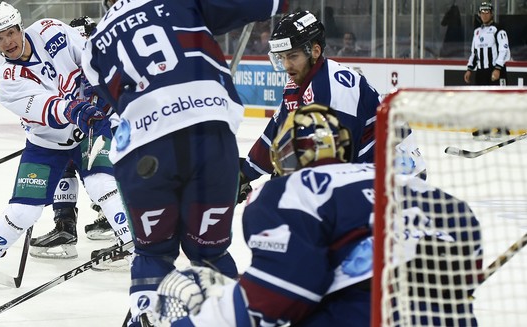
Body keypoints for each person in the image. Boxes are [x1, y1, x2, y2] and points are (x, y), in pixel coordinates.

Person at [153, 103, 484, 327]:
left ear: (285, 155)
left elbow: (281, 294)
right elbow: (463, 228)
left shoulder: (290, 190)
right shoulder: (396, 179)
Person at [81, 0, 289, 325]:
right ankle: (227, 318)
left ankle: (147, 314)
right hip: (209, 133)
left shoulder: (93, 45)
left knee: (152, 253)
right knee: (210, 253)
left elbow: (113, 101)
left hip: (143, 149)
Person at [0, 1, 132, 280]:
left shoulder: (51, 29)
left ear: (20, 28)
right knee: (23, 212)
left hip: (90, 131)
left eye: (10, 32)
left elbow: (91, 58)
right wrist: (76, 109)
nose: (7, 42)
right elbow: (48, 108)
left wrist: (102, 88)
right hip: (47, 143)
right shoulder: (5, 79)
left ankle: (133, 245)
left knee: (100, 183)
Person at [238, 11, 425, 203]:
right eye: (281, 57)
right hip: (364, 169)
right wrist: (245, 173)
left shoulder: (335, 91)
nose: (286, 65)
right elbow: (278, 131)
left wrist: (292, 179)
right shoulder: (297, 84)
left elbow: (339, 162)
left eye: (292, 56)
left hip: (398, 174)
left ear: (315, 51)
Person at [29, 15, 115, 261]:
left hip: (115, 126)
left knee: (105, 174)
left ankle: (125, 230)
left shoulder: (102, 55)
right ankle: (65, 226)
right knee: (63, 164)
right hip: (80, 130)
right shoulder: (66, 60)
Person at [464, 2, 511, 139]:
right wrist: (469, 69)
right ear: (479, 14)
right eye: (482, 12)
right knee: (482, 99)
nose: (484, 14)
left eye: (487, 12)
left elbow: (504, 50)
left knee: (499, 99)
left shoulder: (499, 29)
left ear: (491, 13)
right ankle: (485, 126)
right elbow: (474, 52)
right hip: (482, 71)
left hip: (496, 70)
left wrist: (497, 68)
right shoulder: (477, 31)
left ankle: (503, 127)